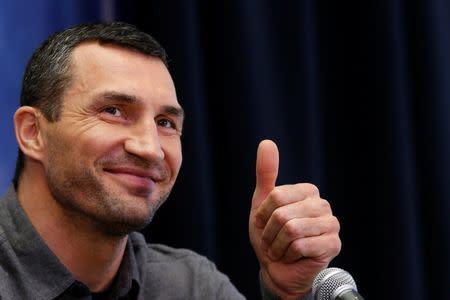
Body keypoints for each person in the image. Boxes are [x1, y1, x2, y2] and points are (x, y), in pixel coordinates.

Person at [0, 22, 341, 299]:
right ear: (33, 133)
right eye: (113, 111)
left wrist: (288, 294)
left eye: (165, 123)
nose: (150, 148)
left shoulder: (191, 287)